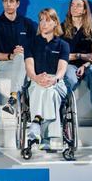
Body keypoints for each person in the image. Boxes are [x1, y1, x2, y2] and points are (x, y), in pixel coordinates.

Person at [22, 8, 69, 151]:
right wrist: (36, 78)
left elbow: (62, 69)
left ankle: (36, 124)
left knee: (51, 91)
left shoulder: (63, 45)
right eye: (41, 20)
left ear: (55, 23)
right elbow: (29, 67)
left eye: (47, 20)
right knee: (44, 90)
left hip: (56, 82)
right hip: (36, 81)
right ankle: (47, 137)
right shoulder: (31, 43)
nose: (43, 23)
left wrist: (53, 79)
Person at [0, 0, 35, 114]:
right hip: (2, 66)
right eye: (5, 1)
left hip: (23, 65)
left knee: (22, 59)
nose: (8, 4)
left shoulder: (27, 23)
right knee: (19, 59)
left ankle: (13, 99)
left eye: (11, 1)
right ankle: (18, 101)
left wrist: (24, 52)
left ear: (17, 3)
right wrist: (11, 56)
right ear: (2, 3)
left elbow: (36, 48)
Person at [62, 0, 92, 122]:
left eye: (78, 5)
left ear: (85, 10)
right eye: (72, 5)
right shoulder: (62, 27)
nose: (74, 8)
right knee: (69, 75)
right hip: (69, 64)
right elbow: (62, 56)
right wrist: (79, 56)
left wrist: (84, 65)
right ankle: (64, 113)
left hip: (87, 65)